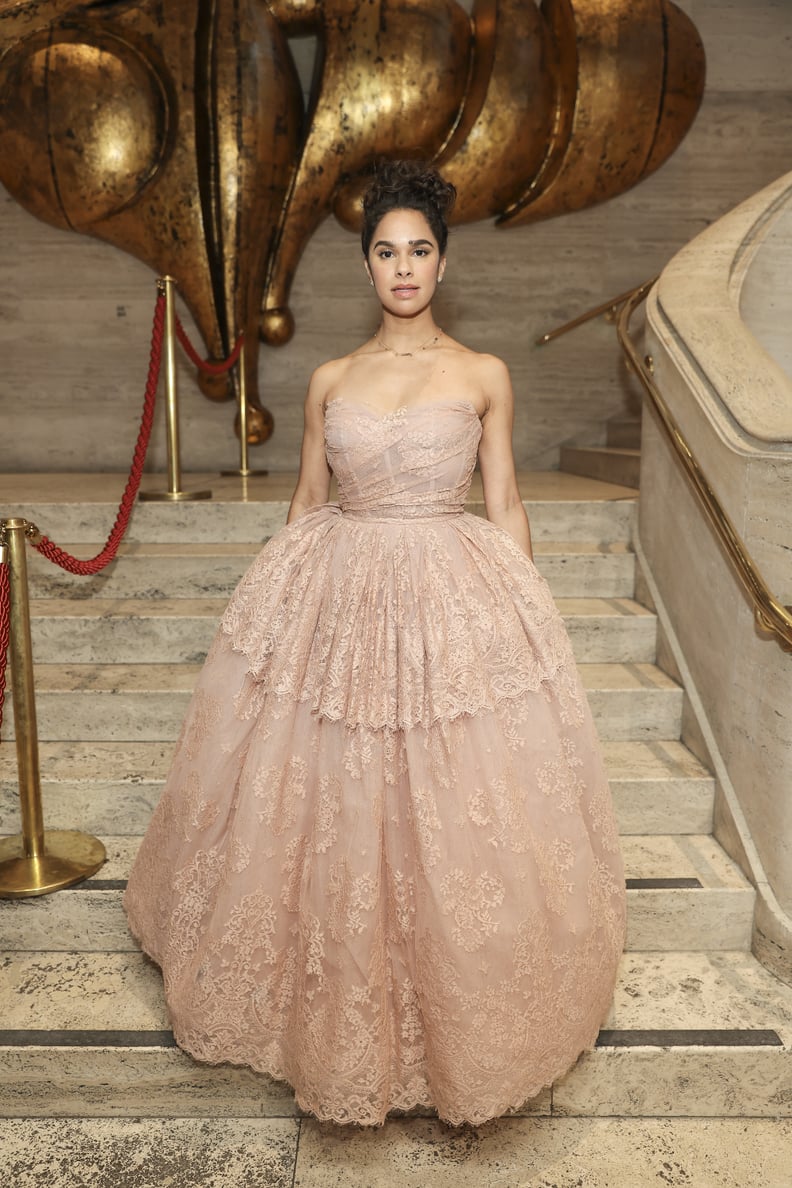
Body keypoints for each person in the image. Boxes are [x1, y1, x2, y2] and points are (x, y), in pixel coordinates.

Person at [124, 160, 626, 1127]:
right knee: (333, 793)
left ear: (443, 263)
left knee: (453, 800)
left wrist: (526, 619)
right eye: (387, 252)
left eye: (420, 251)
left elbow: (507, 501)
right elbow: (309, 504)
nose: (404, 268)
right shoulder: (330, 379)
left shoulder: (483, 374)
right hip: (341, 597)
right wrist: (272, 617)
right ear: (367, 268)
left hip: (447, 592)